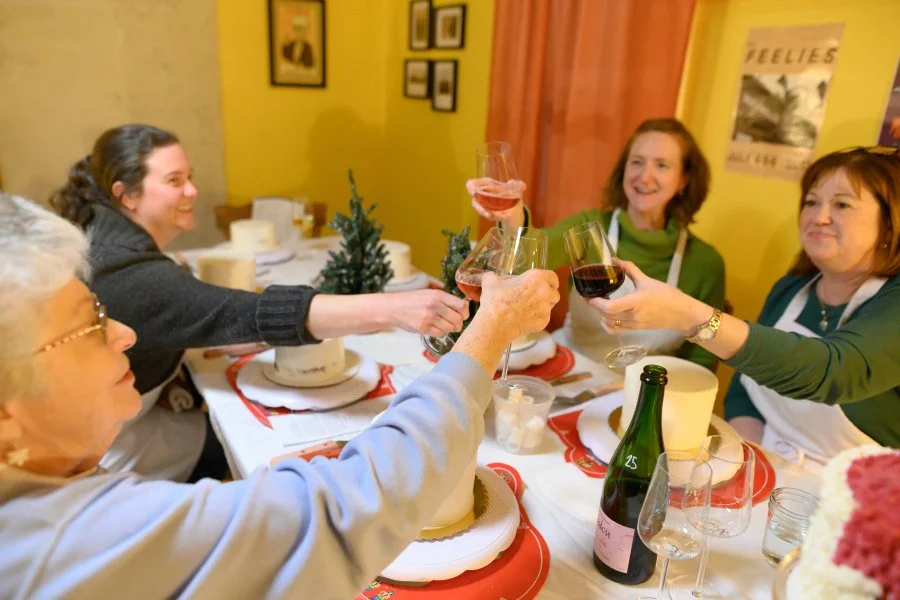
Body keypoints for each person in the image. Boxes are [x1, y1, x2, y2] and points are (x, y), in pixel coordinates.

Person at [0, 193, 559, 599]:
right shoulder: (59, 543)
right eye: (90, 322)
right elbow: (345, 511)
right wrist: (491, 331)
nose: (122, 333)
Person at [50, 124, 470, 483]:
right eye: (175, 181)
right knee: (249, 438)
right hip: (112, 449)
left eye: (190, 176)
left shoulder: (103, 235)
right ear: (126, 195)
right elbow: (251, 313)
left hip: (115, 422)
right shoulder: (131, 272)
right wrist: (394, 309)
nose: (193, 190)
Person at [589, 147, 900, 461]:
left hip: (859, 493)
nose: (819, 217)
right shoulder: (792, 289)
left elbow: (833, 371)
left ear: (889, 224)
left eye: (842, 204)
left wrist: (688, 316)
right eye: (811, 202)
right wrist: (752, 461)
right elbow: (746, 386)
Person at [467, 118, 725, 370]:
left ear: (683, 180)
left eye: (662, 165)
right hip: (572, 369)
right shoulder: (588, 227)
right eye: (637, 162)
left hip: (642, 389)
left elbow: (702, 359)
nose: (645, 177)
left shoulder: (705, 263)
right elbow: (524, 261)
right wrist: (512, 216)